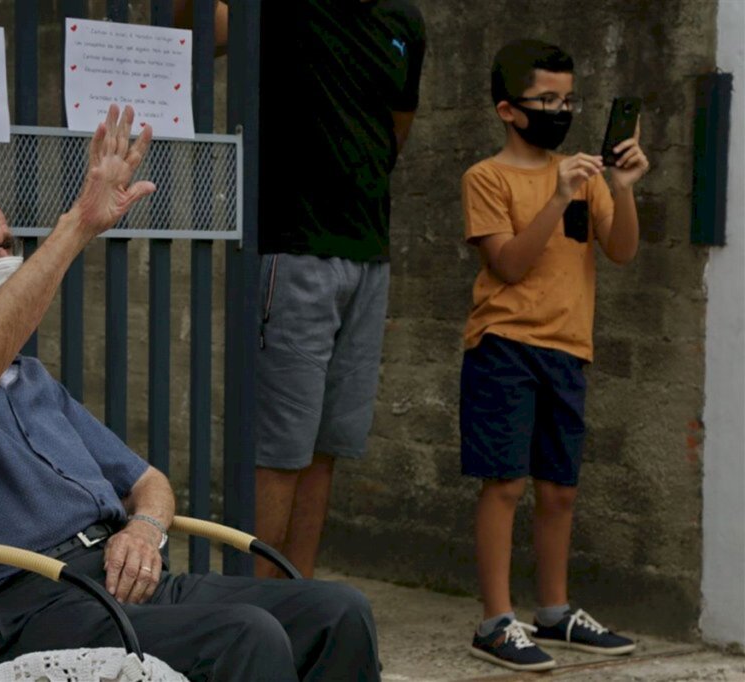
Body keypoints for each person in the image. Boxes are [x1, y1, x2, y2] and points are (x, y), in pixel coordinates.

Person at [0, 105, 379, 681]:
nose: (4, 260)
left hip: (116, 582)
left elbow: (148, 483)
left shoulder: (31, 379)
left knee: (337, 610)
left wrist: (145, 531)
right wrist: (77, 224)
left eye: (8, 244)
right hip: (19, 608)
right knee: (245, 638)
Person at [459, 40, 649, 671]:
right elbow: (508, 265)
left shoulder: (585, 174)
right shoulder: (486, 177)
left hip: (569, 349)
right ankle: (495, 621)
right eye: (547, 100)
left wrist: (619, 188)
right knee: (506, 482)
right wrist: (558, 197)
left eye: (568, 100)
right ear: (509, 110)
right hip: (504, 345)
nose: (561, 111)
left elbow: (621, 250)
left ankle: (555, 610)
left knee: (560, 489)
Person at [254, 0, 426, 579]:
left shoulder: (405, 21)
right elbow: (198, 29)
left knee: (326, 448)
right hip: (297, 248)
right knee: (279, 451)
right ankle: (253, 614)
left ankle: (299, 606)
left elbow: (395, 132)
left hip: (368, 254)